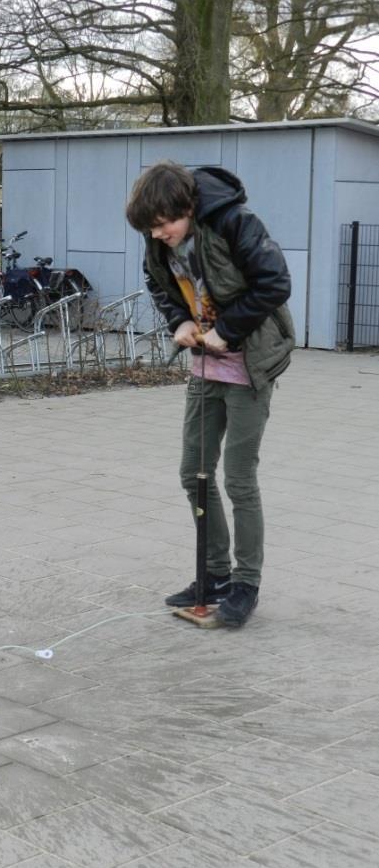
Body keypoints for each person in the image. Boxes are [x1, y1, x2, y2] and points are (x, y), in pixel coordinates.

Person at [126, 161, 295, 627]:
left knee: (239, 480)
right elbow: (158, 284)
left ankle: (246, 583)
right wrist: (179, 320)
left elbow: (275, 283)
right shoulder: (158, 238)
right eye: (152, 228)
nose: (160, 234)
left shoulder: (234, 223)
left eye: (166, 224)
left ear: (189, 207)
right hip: (205, 368)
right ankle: (214, 574)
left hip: (250, 366)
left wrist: (227, 328)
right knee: (193, 473)